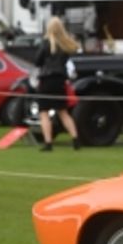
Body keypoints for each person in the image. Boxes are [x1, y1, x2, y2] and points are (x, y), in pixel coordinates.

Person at [34, 16, 81, 151]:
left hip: (46, 80)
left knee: (43, 113)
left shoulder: (45, 43)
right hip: (60, 80)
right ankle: (75, 139)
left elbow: (37, 61)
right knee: (63, 112)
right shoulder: (64, 45)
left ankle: (48, 143)